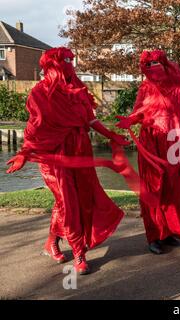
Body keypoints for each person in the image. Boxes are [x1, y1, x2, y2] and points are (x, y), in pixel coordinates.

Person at [6, 47, 132, 275]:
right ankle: (78, 253)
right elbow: (35, 125)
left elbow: (91, 120)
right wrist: (25, 153)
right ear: (51, 65)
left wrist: (112, 136)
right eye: (64, 61)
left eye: (71, 60)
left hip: (80, 150)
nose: (69, 65)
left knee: (78, 199)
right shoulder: (39, 93)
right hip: (54, 154)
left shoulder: (79, 91)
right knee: (68, 202)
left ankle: (51, 242)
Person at [116, 50, 180, 254]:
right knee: (153, 190)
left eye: (157, 63)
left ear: (165, 64)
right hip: (151, 144)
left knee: (173, 189)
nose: (153, 68)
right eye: (149, 65)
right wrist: (130, 120)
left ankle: (168, 232)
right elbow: (139, 111)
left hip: (175, 144)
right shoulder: (145, 87)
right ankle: (154, 236)